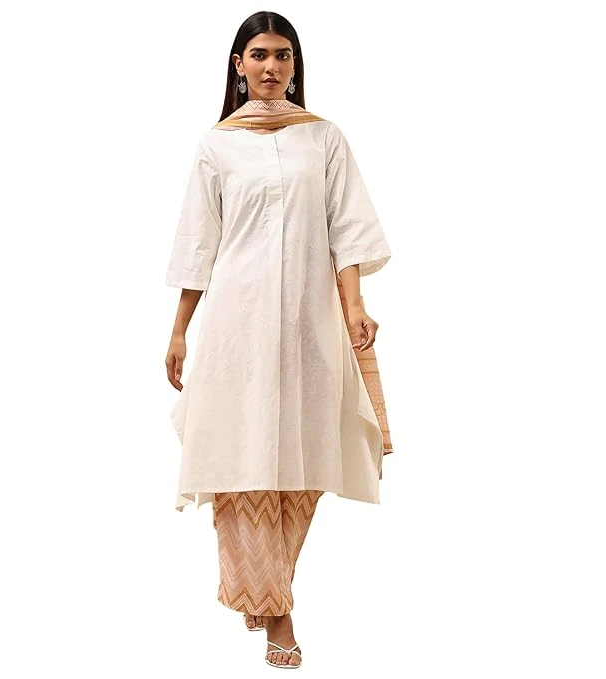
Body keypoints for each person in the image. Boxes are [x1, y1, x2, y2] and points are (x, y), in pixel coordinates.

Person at [164, 11, 393, 669]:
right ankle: (278, 611)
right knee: (240, 453)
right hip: (237, 323)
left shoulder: (322, 138)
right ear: (237, 65)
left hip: (309, 322)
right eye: (259, 54)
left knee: (305, 454)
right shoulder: (217, 145)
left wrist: (355, 305)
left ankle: (262, 585)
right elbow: (199, 242)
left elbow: (347, 229)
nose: (271, 66)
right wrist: (179, 330)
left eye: (283, 55)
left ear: (295, 65)